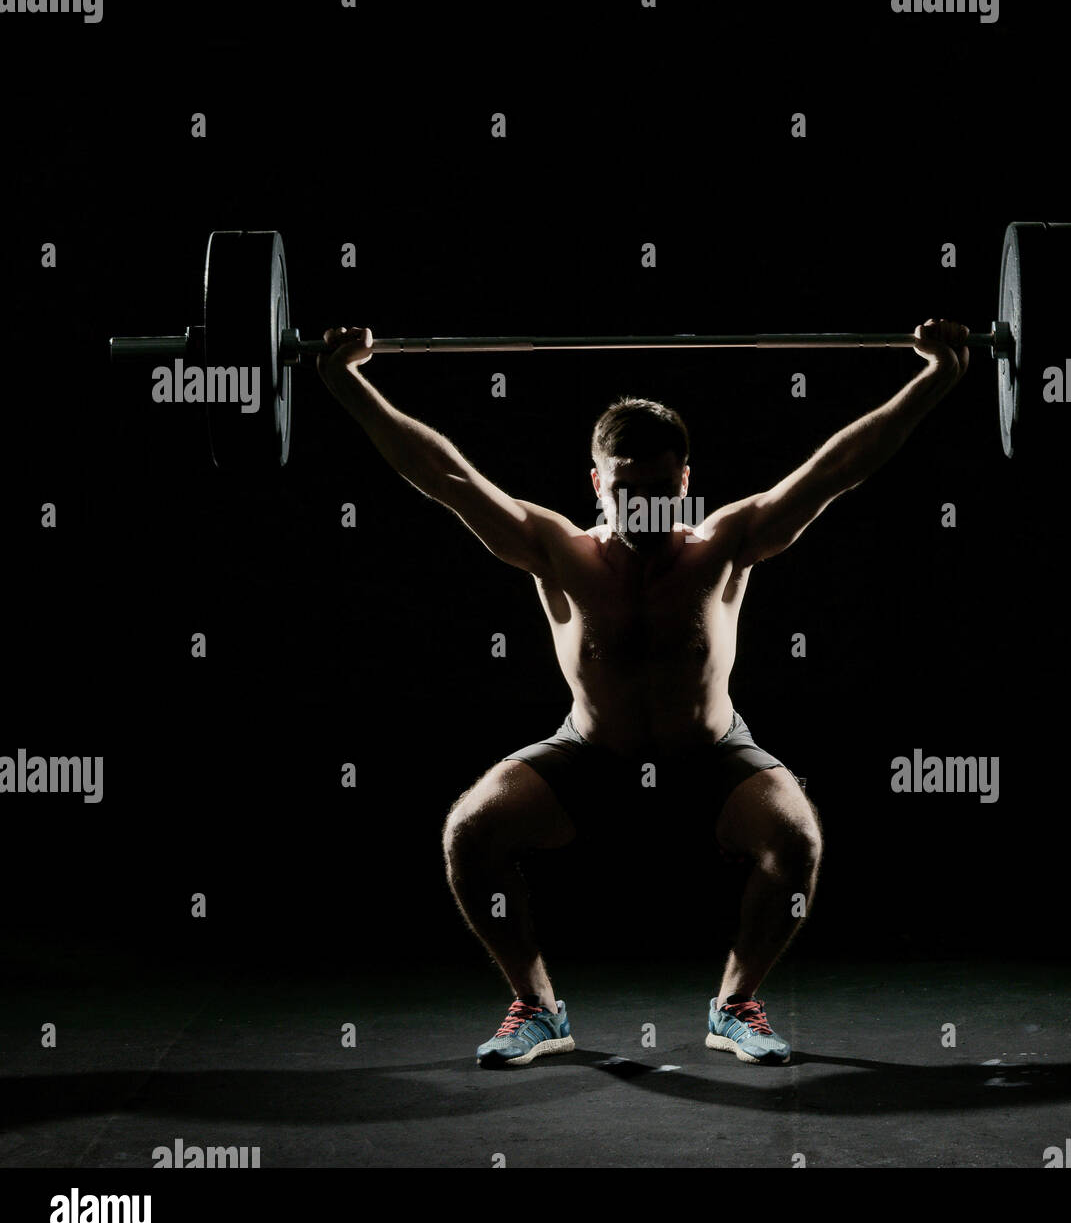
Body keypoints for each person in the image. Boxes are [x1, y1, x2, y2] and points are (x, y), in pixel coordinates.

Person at [318, 319, 970, 1066]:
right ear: (597, 483)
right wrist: (348, 383)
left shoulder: (726, 544)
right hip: (589, 754)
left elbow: (837, 471)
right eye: (628, 493)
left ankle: (735, 1005)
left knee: (797, 838)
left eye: (661, 492)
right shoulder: (556, 549)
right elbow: (446, 478)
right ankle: (536, 1008)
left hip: (711, 755)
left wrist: (937, 377)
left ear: (685, 478)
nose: (646, 511)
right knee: (470, 831)